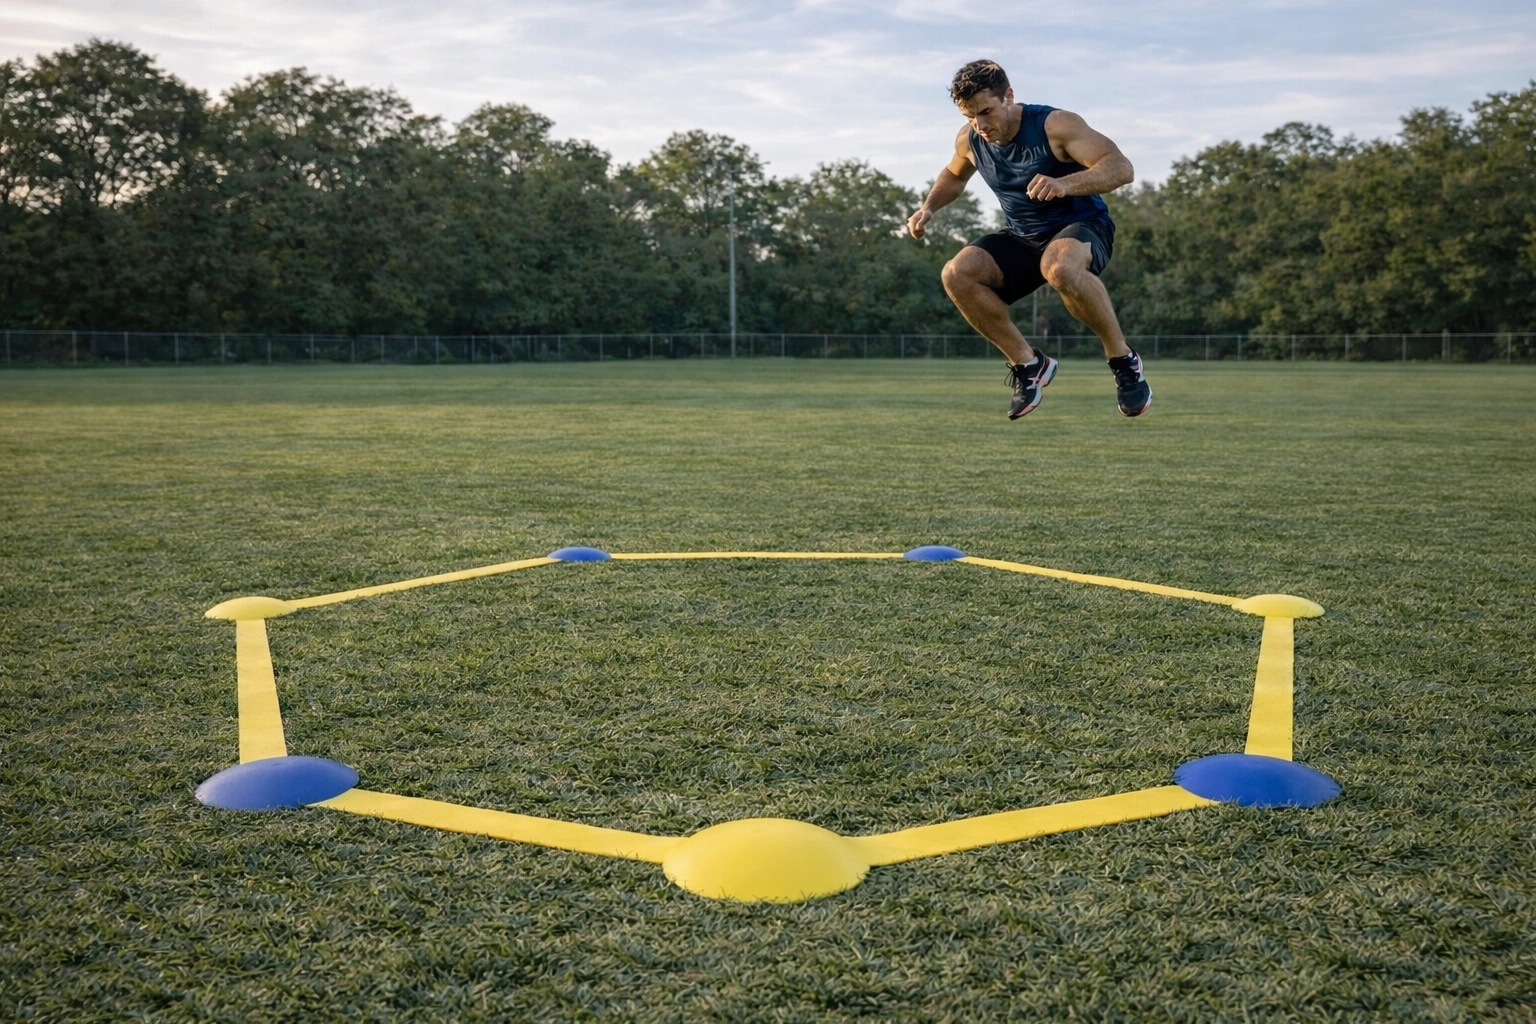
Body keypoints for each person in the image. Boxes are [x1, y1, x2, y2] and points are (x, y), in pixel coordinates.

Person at [907, 59, 1151, 419]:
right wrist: (929, 207)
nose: (981, 124)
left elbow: (1121, 168)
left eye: (987, 111)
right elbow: (954, 176)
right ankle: (1028, 364)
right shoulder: (971, 139)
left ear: (1009, 96)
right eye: (970, 116)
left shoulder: (1055, 125)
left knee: (1059, 267)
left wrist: (1064, 183)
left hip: (1082, 224)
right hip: (1023, 235)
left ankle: (1123, 360)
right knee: (956, 274)